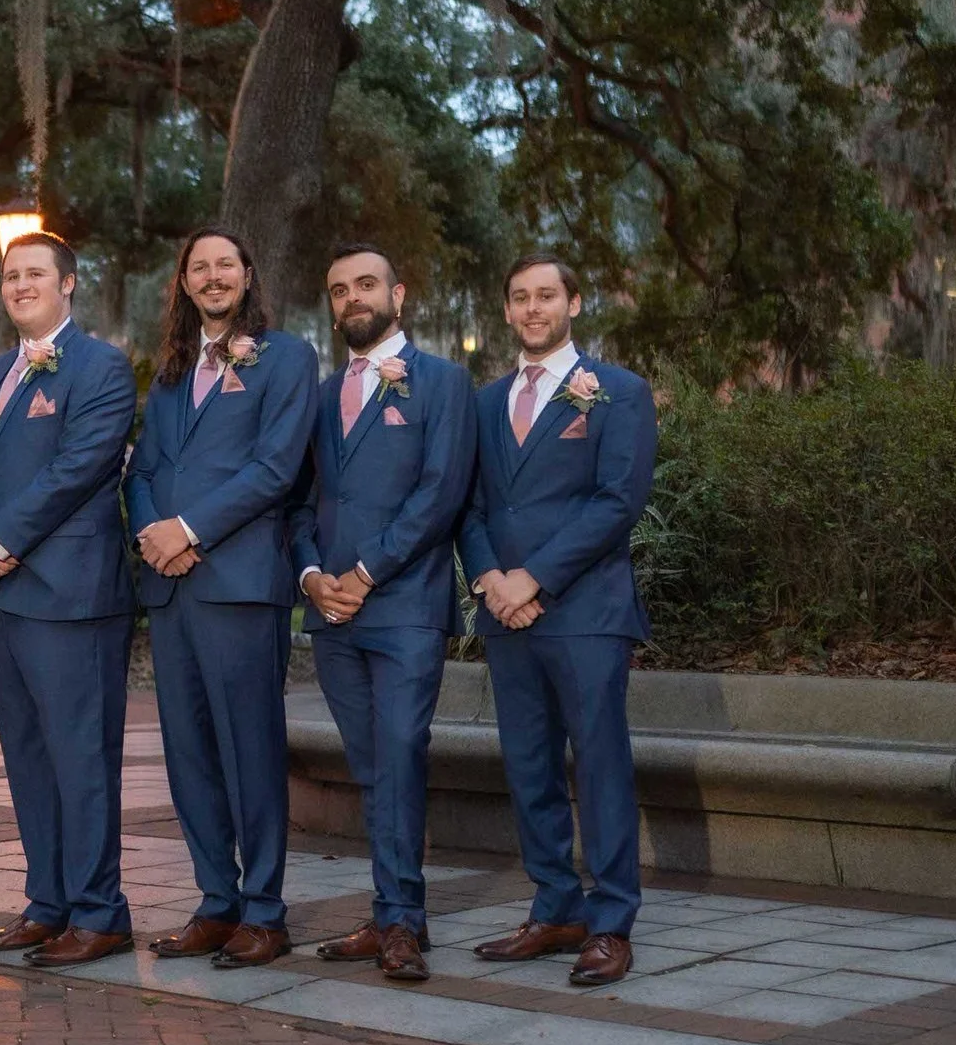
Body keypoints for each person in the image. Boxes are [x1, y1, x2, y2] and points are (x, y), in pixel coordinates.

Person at [459, 251, 658, 988]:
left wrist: (535, 578)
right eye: (520, 297)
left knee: (600, 763)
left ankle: (610, 923)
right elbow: (470, 504)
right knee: (529, 765)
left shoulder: (617, 391)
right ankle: (555, 906)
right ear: (507, 310)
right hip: (504, 613)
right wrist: (491, 580)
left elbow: (617, 502)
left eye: (547, 295)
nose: (534, 308)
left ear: (574, 302)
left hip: (585, 610)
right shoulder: (482, 403)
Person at [123, 228, 319, 971]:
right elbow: (141, 467)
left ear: (247, 274)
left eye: (224, 264)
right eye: (198, 266)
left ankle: (265, 911)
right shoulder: (172, 371)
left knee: (250, 750)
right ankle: (215, 900)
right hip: (171, 588)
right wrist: (150, 528)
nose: (212, 276)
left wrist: (190, 527)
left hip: (239, 584)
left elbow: (275, 469)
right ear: (184, 280)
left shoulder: (287, 358)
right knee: (188, 754)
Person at [291, 244, 475, 983]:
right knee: (372, 766)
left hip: (403, 606)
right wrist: (311, 574)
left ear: (399, 293)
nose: (351, 299)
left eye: (365, 284)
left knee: (399, 752)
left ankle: (399, 919)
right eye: (338, 289)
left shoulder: (443, 381)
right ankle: (394, 911)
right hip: (332, 615)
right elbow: (300, 501)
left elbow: (441, 492)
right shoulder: (323, 393)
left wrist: (366, 571)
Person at [0, 232, 140, 969]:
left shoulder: (102, 366)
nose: (21, 284)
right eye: (11, 275)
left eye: (36, 272)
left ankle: (101, 912)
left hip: (72, 596)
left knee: (81, 758)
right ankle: (47, 902)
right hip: (5, 602)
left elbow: (78, 469)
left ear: (69, 283)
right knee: (28, 758)